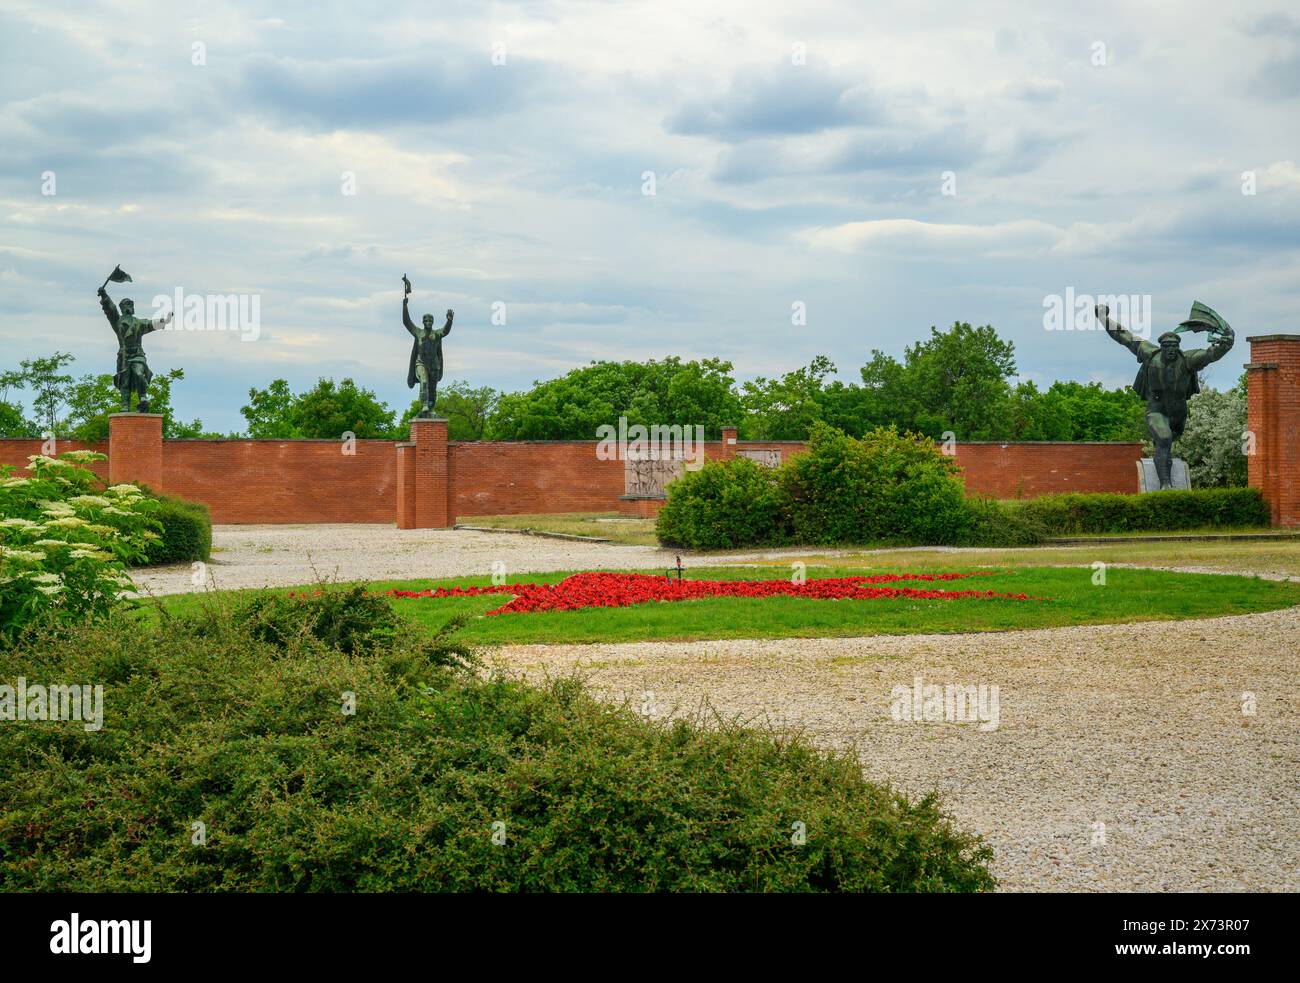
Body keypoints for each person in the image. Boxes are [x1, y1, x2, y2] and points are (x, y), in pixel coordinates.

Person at [1096, 301, 1234, 489]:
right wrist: (1104, 318)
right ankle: (1166, 484)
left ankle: (1166, 478)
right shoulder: (1149, 354)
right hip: (1156, 411)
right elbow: (1124, 335)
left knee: (1167, 443)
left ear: (1178, 347)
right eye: (1167, 346)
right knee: (1163, 439)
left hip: (1178, 416)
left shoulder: (1187, 360)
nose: (1171, 350)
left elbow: (1211, 354)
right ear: (1161, 347)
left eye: (1174, 346)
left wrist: (1226, 343)